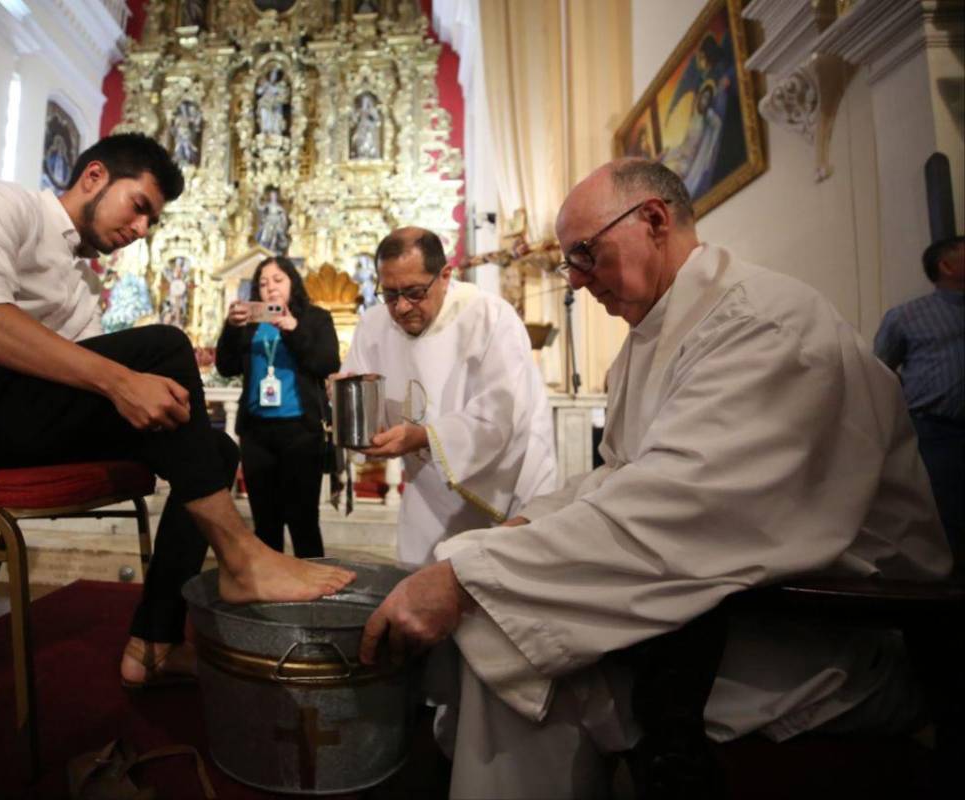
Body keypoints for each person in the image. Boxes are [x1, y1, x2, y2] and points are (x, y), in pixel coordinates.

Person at [359, 160, 951, 797]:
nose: (578, 281)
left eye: (586, 254)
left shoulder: (761, 325)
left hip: (830, 635)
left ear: (654, 221)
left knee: (520, 660)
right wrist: (524, 527)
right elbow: (621, 475)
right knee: (508, 635)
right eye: (572, 263)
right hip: (729, 608)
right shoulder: (657, 334)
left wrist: (469, 575)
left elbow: (681, 508)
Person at [0, 133, 353, 689]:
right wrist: (121, 379)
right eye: (140, 207)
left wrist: (133, 389)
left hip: (4, 412)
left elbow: (93, 385)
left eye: (151, 220)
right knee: (164, 346)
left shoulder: (79, 286)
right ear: (95, 177)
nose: (141, 229)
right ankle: (241, 555)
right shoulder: (4, 203)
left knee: (214, 449)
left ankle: (154, 641)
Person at [339, 226, 557, 566]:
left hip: (505, 491)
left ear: (444, 275)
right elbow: (369, 406)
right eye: (390, 294)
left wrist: (423, 437)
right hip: (427, 493)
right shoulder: (374, 325)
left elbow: (501, 416)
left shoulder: (490, 317)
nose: (401, 307)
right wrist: (347, 400)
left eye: (413, 292)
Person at [216, 256, 340, 557]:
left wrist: (293, 329)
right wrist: (231, 328)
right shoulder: (250, 325)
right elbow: (226, 367)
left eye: (277, 280)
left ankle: (312, 588)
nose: (269, 287)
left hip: (301, 430)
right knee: (265, 523)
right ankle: (270, 590)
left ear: (292, 283)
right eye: (262, 282)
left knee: (303, 520)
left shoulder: (315, 318)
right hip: (257, 433)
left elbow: (326, 363)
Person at [874, 235, 964, 568]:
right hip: (936, 433)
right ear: (947, 265)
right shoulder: (907, 316)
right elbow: (878, 373)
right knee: (946, 518)